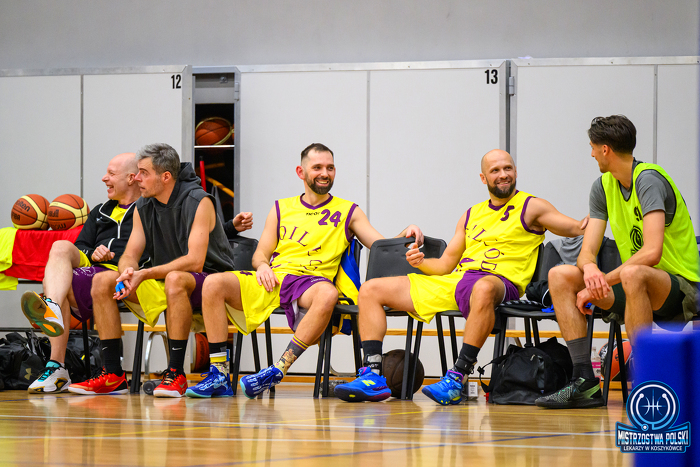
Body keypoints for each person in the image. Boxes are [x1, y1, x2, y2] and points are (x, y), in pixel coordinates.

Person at [335, 149, 588, 404]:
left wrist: (595, 220)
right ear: (483, 178)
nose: (503, 175)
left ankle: (457, 377)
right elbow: (445, 265)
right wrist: (421, 262)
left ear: (515, 171)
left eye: (507, 168)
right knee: (371, 289)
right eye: (495, 170)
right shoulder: (471, 214)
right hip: (457, 281)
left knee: (483, 287)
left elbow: (575, 228)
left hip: (499, 281)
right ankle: (372, 375)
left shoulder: (532, 206)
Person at [185, 143, 423, 398]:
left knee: (328, 294)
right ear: (301, 172)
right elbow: (260, 253)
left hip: (310, 283)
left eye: (330, 168)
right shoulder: (281, 208)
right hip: (274, 278)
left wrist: (405, 233)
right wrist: (263, 265)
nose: (325, 173)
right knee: (213, 283)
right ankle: (219, 375)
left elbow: (380, 246)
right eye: (317, 167)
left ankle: (279, 368)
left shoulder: (349, 211)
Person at [536, 115, 699, 409]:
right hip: (633, 285)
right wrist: (590, 269)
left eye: (593, 147)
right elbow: (587, 251)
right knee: (561, 275)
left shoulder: (648, 180)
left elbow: (652, 252)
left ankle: (647, 381)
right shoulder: (602, 186)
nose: (591, 154)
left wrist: (601, 281)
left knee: (634, 273)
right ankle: (584, 381)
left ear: (605, 149)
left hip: (679, 287)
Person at [68, 143, 252, 397]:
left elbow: (195, 262)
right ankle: (113, 375)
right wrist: (127, 271)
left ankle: (175, 373)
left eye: (143, 173)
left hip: (211, 280)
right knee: (103, 281)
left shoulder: (199, 201)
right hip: (167, 279)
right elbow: (130, 253)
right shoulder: (143, 205)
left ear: (165, 177)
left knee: (175, 279)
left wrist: (144, 273)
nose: (137, 178)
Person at [20, 152, 145, 394]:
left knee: (57, 282)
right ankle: (52, 307)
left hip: (125, 275)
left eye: (111, 174)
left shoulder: (148, 210)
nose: (104, 178)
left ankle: (57, 367)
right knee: (60, 247)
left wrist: (117, 258)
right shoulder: (100, 211)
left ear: (131, 178)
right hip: (93, 268)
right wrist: (94, 252)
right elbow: (81, 246)